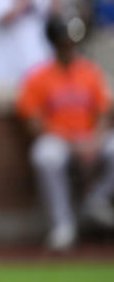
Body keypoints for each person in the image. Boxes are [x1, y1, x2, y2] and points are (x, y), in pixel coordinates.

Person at [17, 17, 114, 252]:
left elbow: (103, 112)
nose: (71, 46)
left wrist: (94, 139)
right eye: (66, 42)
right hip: (59, 139)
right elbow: (33, 123)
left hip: (89, 138)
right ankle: (63, 225)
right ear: (56, 43)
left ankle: (96, 202)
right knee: (45, 155)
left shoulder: (90, 71)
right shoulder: (38, 76)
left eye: (73, 41)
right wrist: (71, 142)